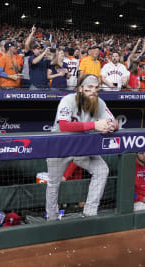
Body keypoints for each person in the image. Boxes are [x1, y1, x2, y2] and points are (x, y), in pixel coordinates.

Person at [46, 74, 119, 220]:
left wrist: (111, 125)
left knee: (102, 170)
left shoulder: (99, 102)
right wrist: (94, 125)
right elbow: (64, 125)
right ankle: (52, 218)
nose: (93, 91)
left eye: (96, 88)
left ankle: (90, 212)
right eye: (89, 88)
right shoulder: (68, 100)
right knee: (53, 184)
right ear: (80, 89)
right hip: (59, 147)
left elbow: (115, 121)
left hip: (81, 148)